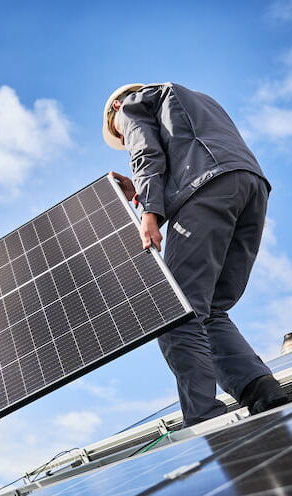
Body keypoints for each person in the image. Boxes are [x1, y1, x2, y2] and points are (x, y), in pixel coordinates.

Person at [102, 82, 288, 426]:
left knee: (176, 312)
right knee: (211, 309)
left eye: (120, 136)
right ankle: (260, 388)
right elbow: (194, 151)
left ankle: (204, 420)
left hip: (206, 189)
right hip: (250, 187)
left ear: (115, 109)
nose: (124, 140)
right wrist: (141, 191)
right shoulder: (198, 99)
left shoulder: (131, 105)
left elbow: (146, 153)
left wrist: (149, 214)